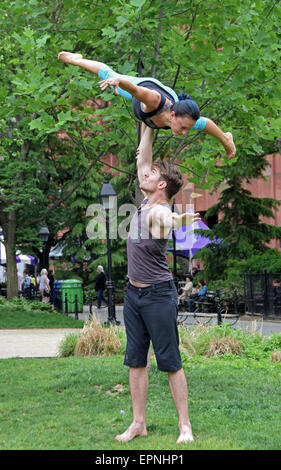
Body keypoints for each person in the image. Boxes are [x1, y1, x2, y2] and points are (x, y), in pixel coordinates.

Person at [115, 124, 200, 445]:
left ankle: (185, 427)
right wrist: (148, 121)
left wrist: (180, 221)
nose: (144, 174)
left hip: (157, 295)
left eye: (151, 174)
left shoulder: (159, 211)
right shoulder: (146, 200)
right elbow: (142, 157)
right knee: (135, 361)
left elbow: (167, 221)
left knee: (169, 361)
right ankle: (138, 423)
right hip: (133, 294)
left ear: (161, 183)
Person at [57, 52, 236, 160]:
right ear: (172, 116)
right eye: (182, 127)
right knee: (107, 74)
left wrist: (224, 140)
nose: (183, 133)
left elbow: (206, 124)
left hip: (154, 113)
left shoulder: (181, 120)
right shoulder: (153, 99)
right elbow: (135, 90)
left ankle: (227, 138)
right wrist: (119, 80)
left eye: (186, 129)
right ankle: (76, 59)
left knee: (201, 125)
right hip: (146, 88)